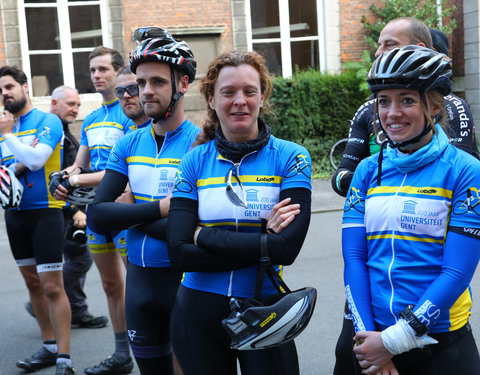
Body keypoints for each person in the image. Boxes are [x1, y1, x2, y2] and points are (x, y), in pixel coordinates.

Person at [332, 19, 479, 375]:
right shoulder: (367, 171)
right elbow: (354, 259)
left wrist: (394, 342)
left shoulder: (464, 170)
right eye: (384, 101)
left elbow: (457, 271)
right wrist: (369, 339)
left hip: (439, 342)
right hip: (368, 335)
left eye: (407, 100)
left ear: (434, 107)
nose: (392, 113)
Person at [166, 50, 312, 375]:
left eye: (249, 91)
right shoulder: (193, 161)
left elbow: (287, 249)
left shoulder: (291, 157)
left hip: (265, 308)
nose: (239, 101)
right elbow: (178, 253)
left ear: (263, 96)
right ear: (211, 100)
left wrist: (203, 235)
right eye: (228, 92)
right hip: (196, 309)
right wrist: (263, 244)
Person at [90, 27, 199, 375]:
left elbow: (186, 229)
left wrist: (127, 213)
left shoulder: (200, 145)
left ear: (182, 84)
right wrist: (159, 209)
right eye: (141, 82)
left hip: (184, 284)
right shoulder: (128, 144)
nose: (146, 91)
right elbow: (96, 216)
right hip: (138, 285)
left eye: (158, 82)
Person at [52, 47, 135, 375]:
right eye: (92, 70)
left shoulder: (130, 113)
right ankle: (121, 355)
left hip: (123, 207)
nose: (97, 76)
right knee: (111, 285)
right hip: (96, 211)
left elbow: (120, 169)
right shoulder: (94, 118)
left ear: (118, 74)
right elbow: (79, 163)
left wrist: (76, 181)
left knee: (139, 284)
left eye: (103, 69)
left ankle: (153, 349)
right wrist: (63, 178)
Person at [331, 17, 479, 198]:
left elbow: (459, 177)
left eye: (389, 45)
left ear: (420, 48)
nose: (378, 53)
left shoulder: (453, 106)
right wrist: (369, 179)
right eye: (384, 101)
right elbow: (340, 177)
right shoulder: (367, 110)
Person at [0, 66, 75, 375]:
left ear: (24, 87)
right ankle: (48, 346)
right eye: (0, 91)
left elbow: (35, 160)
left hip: (45, 210)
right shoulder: (4, 125)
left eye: (8, 87)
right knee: (32, 282)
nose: (4, 94)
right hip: (13, 214)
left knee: (52, 286)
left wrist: (7, 136)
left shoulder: (48, 121)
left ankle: (65, 359)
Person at [25, 85, 109, 330]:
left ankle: (78, 310)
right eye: (70, 104)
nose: (76, 109)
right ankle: (45, 296)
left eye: (78, 105)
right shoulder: (52, 132)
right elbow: (53, 178)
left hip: (73, 208)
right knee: (81, 259)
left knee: (76, 256)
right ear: (54, 104)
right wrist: (75, 211)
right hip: (63, 210)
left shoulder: (63, 131)